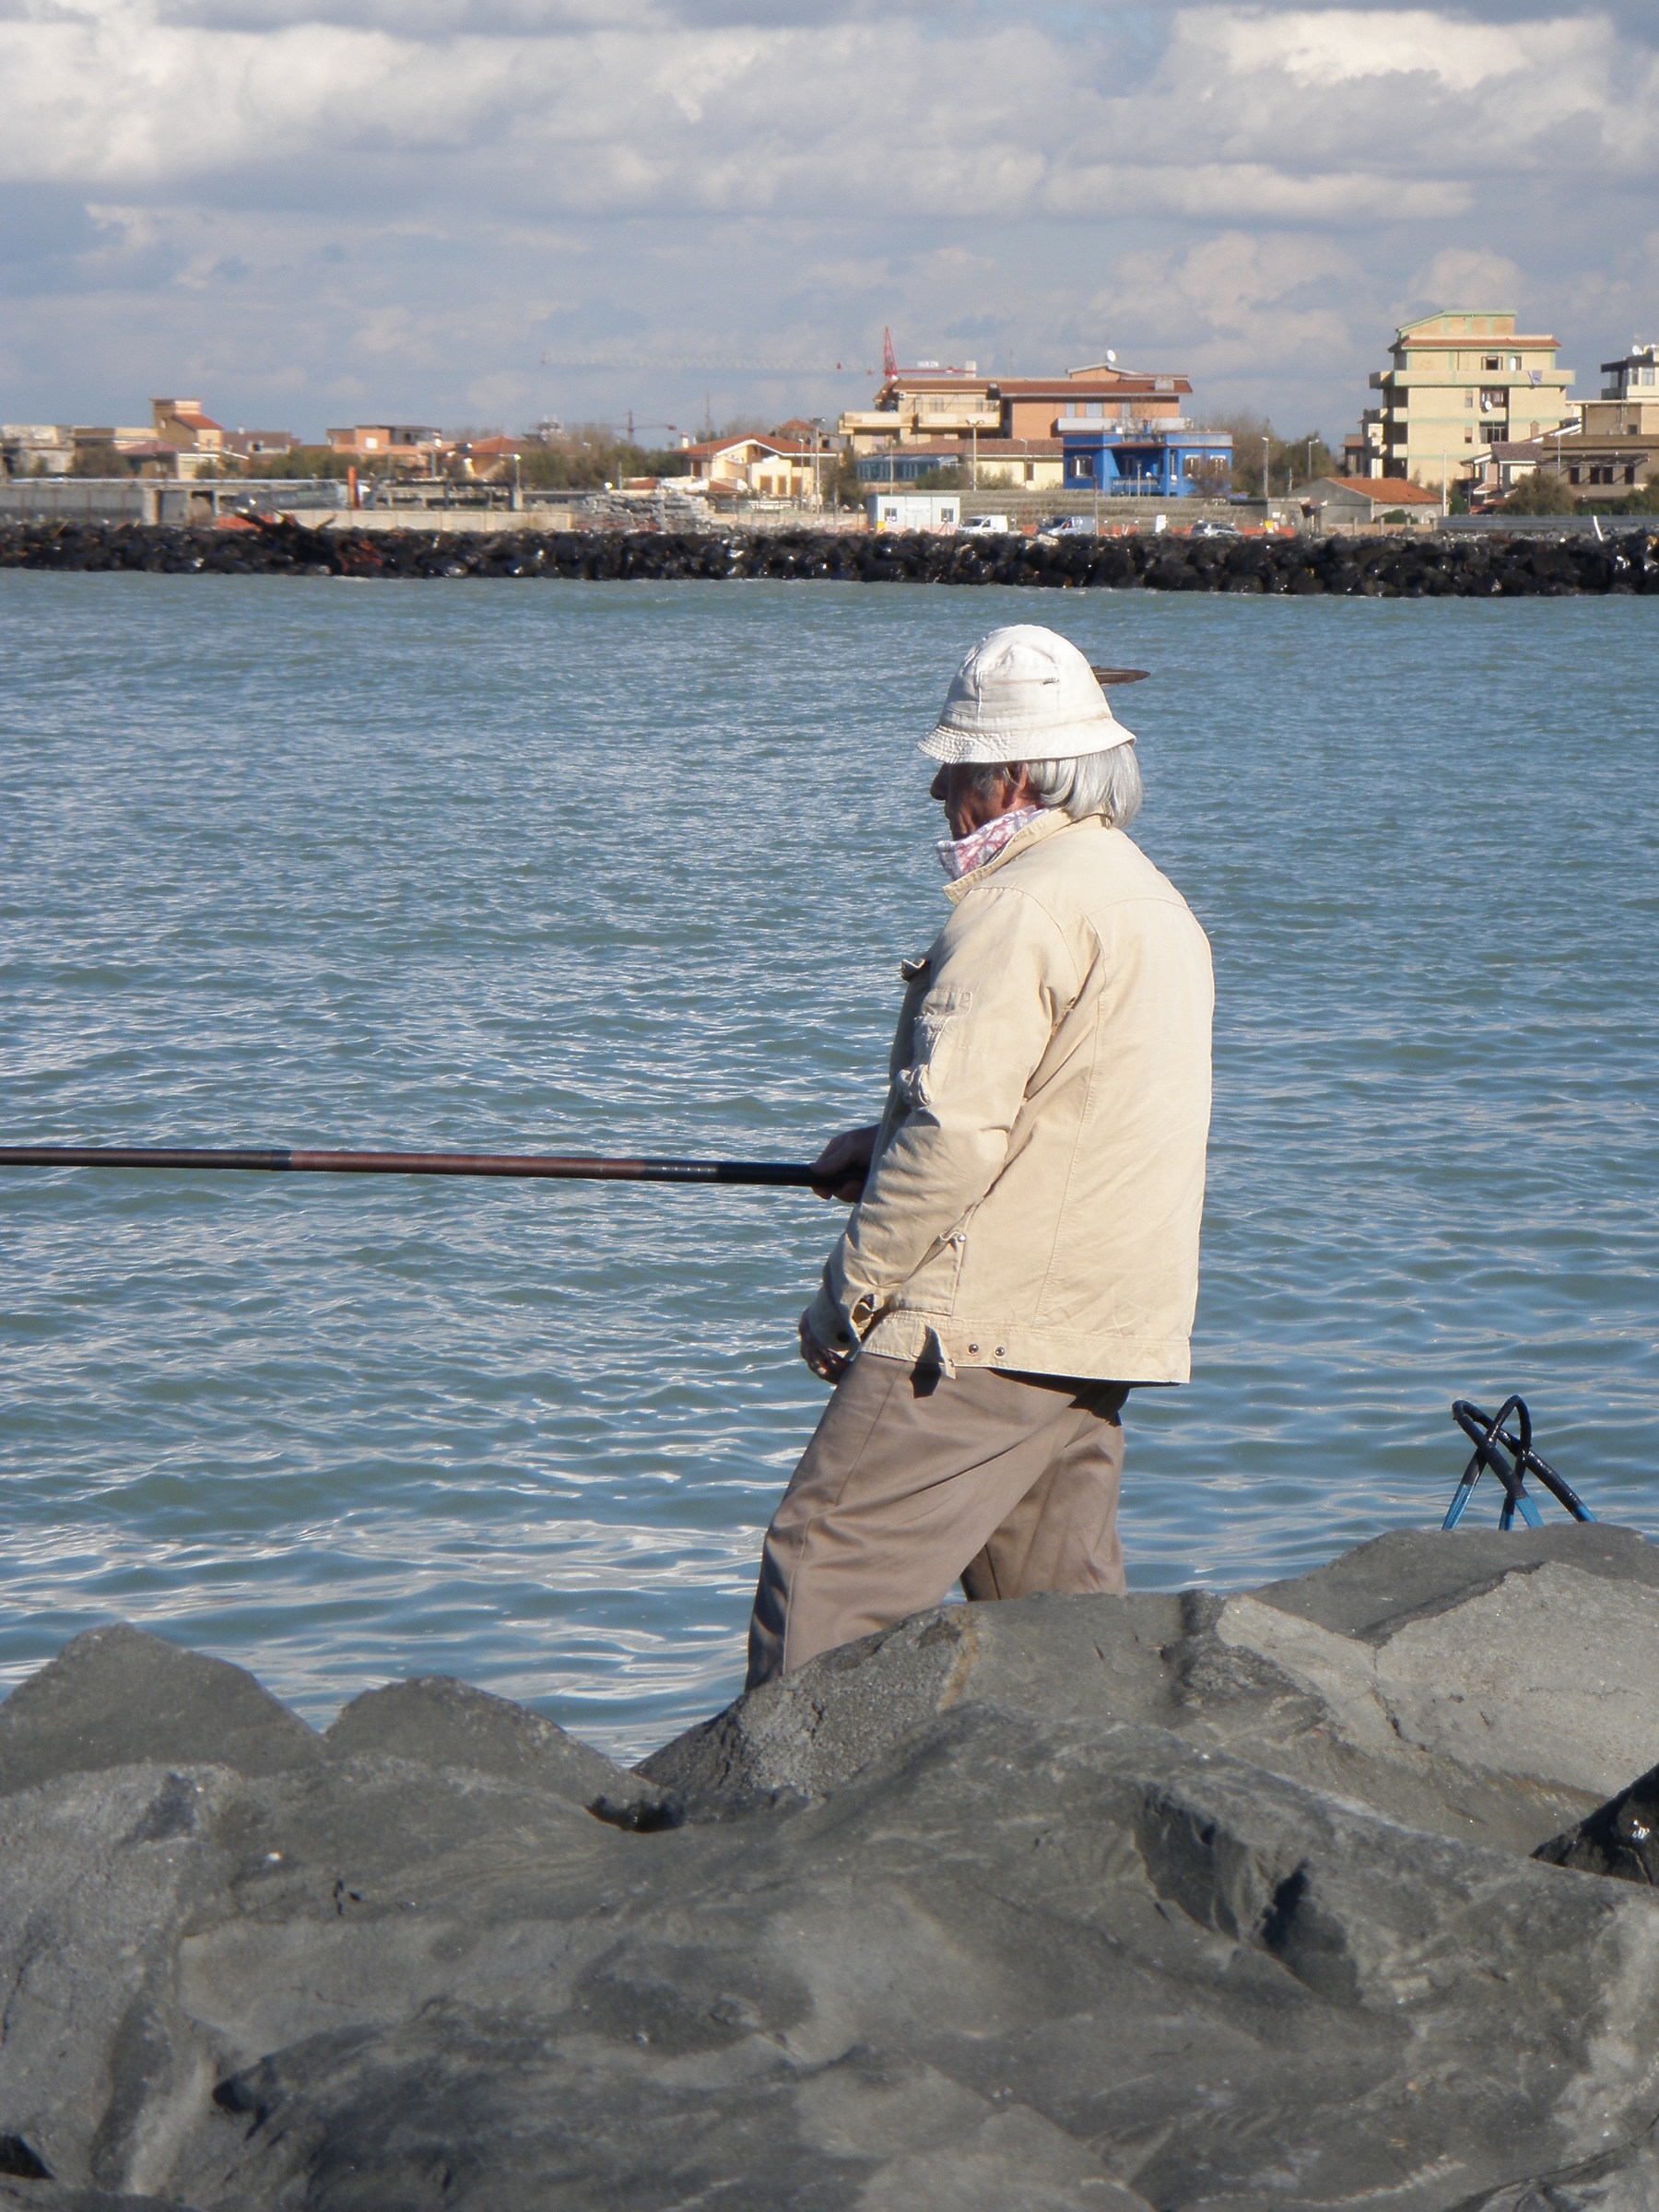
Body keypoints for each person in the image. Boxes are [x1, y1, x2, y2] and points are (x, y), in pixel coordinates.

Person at [745, 622, 1214, 1688]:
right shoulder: (1147, 898)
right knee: (1060, 1621)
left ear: (1010, 777)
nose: (934, 792)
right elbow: (1073, 1108)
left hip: (982, 1323)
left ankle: (778, 1838)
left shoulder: (1013, 907)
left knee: (824, 1563)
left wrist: (848, 1297)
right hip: (1104, 1324)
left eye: (952, 766)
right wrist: (884, 1139)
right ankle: (1105, 1819)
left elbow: (958, 1136)